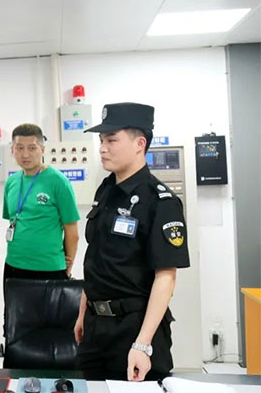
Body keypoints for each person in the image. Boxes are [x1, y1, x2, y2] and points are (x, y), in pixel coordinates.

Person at [74, 102, 190, 381]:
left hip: (134, 328)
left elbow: (166, 277)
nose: (102, 148)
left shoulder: (160, 201)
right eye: (101, 141)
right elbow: (97, 259)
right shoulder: (106, 190)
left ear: (140, 144)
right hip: (95, 327)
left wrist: (142, 344)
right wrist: (82, 313)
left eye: (111, 140)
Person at [2, 124, 80, 280]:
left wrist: (68, 265)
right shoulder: (11, 182)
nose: (25, 154)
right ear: (12, 150)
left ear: (42, 149)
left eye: (32, 148)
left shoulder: (58, 181)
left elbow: (72, 231)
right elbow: (13, 219)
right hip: (13, 265)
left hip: (49, 268)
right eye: (19, 148)